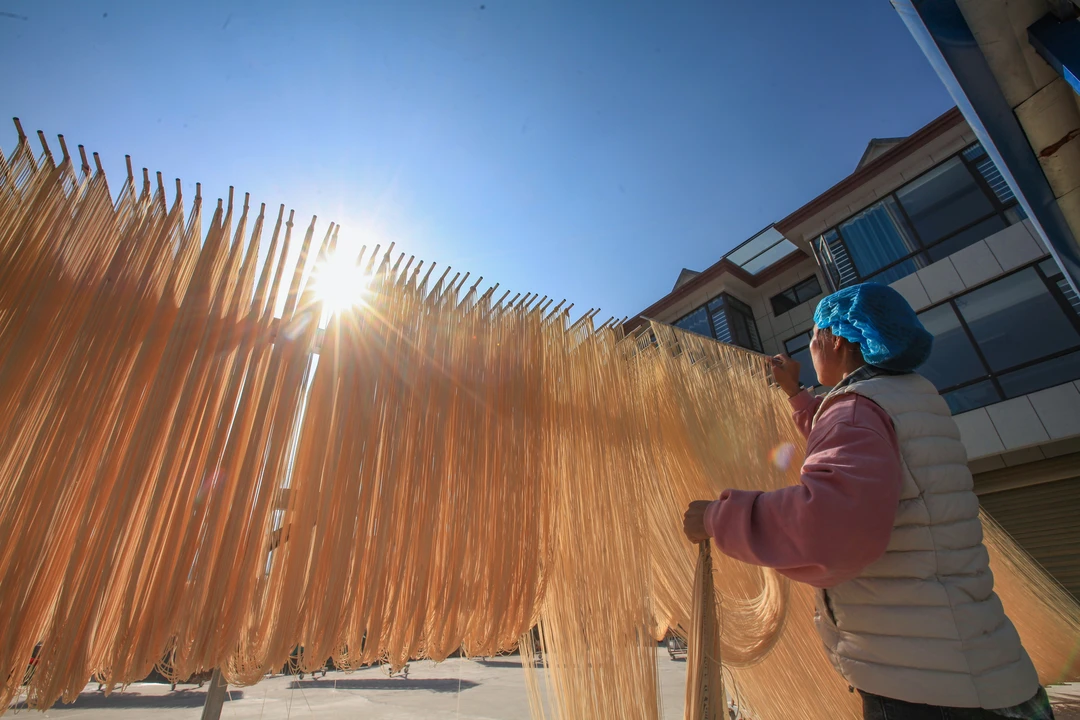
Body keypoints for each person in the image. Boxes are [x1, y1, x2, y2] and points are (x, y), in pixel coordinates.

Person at [682, 283, 1055, 720]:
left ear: (837, 341)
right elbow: (854, 453)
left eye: (813, 337)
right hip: (972, 667)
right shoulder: (906, 397)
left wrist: (717, 517)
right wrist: (797, 395)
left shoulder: (857, 409)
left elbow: (829, 527)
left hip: (927, 692)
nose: (810, 348)